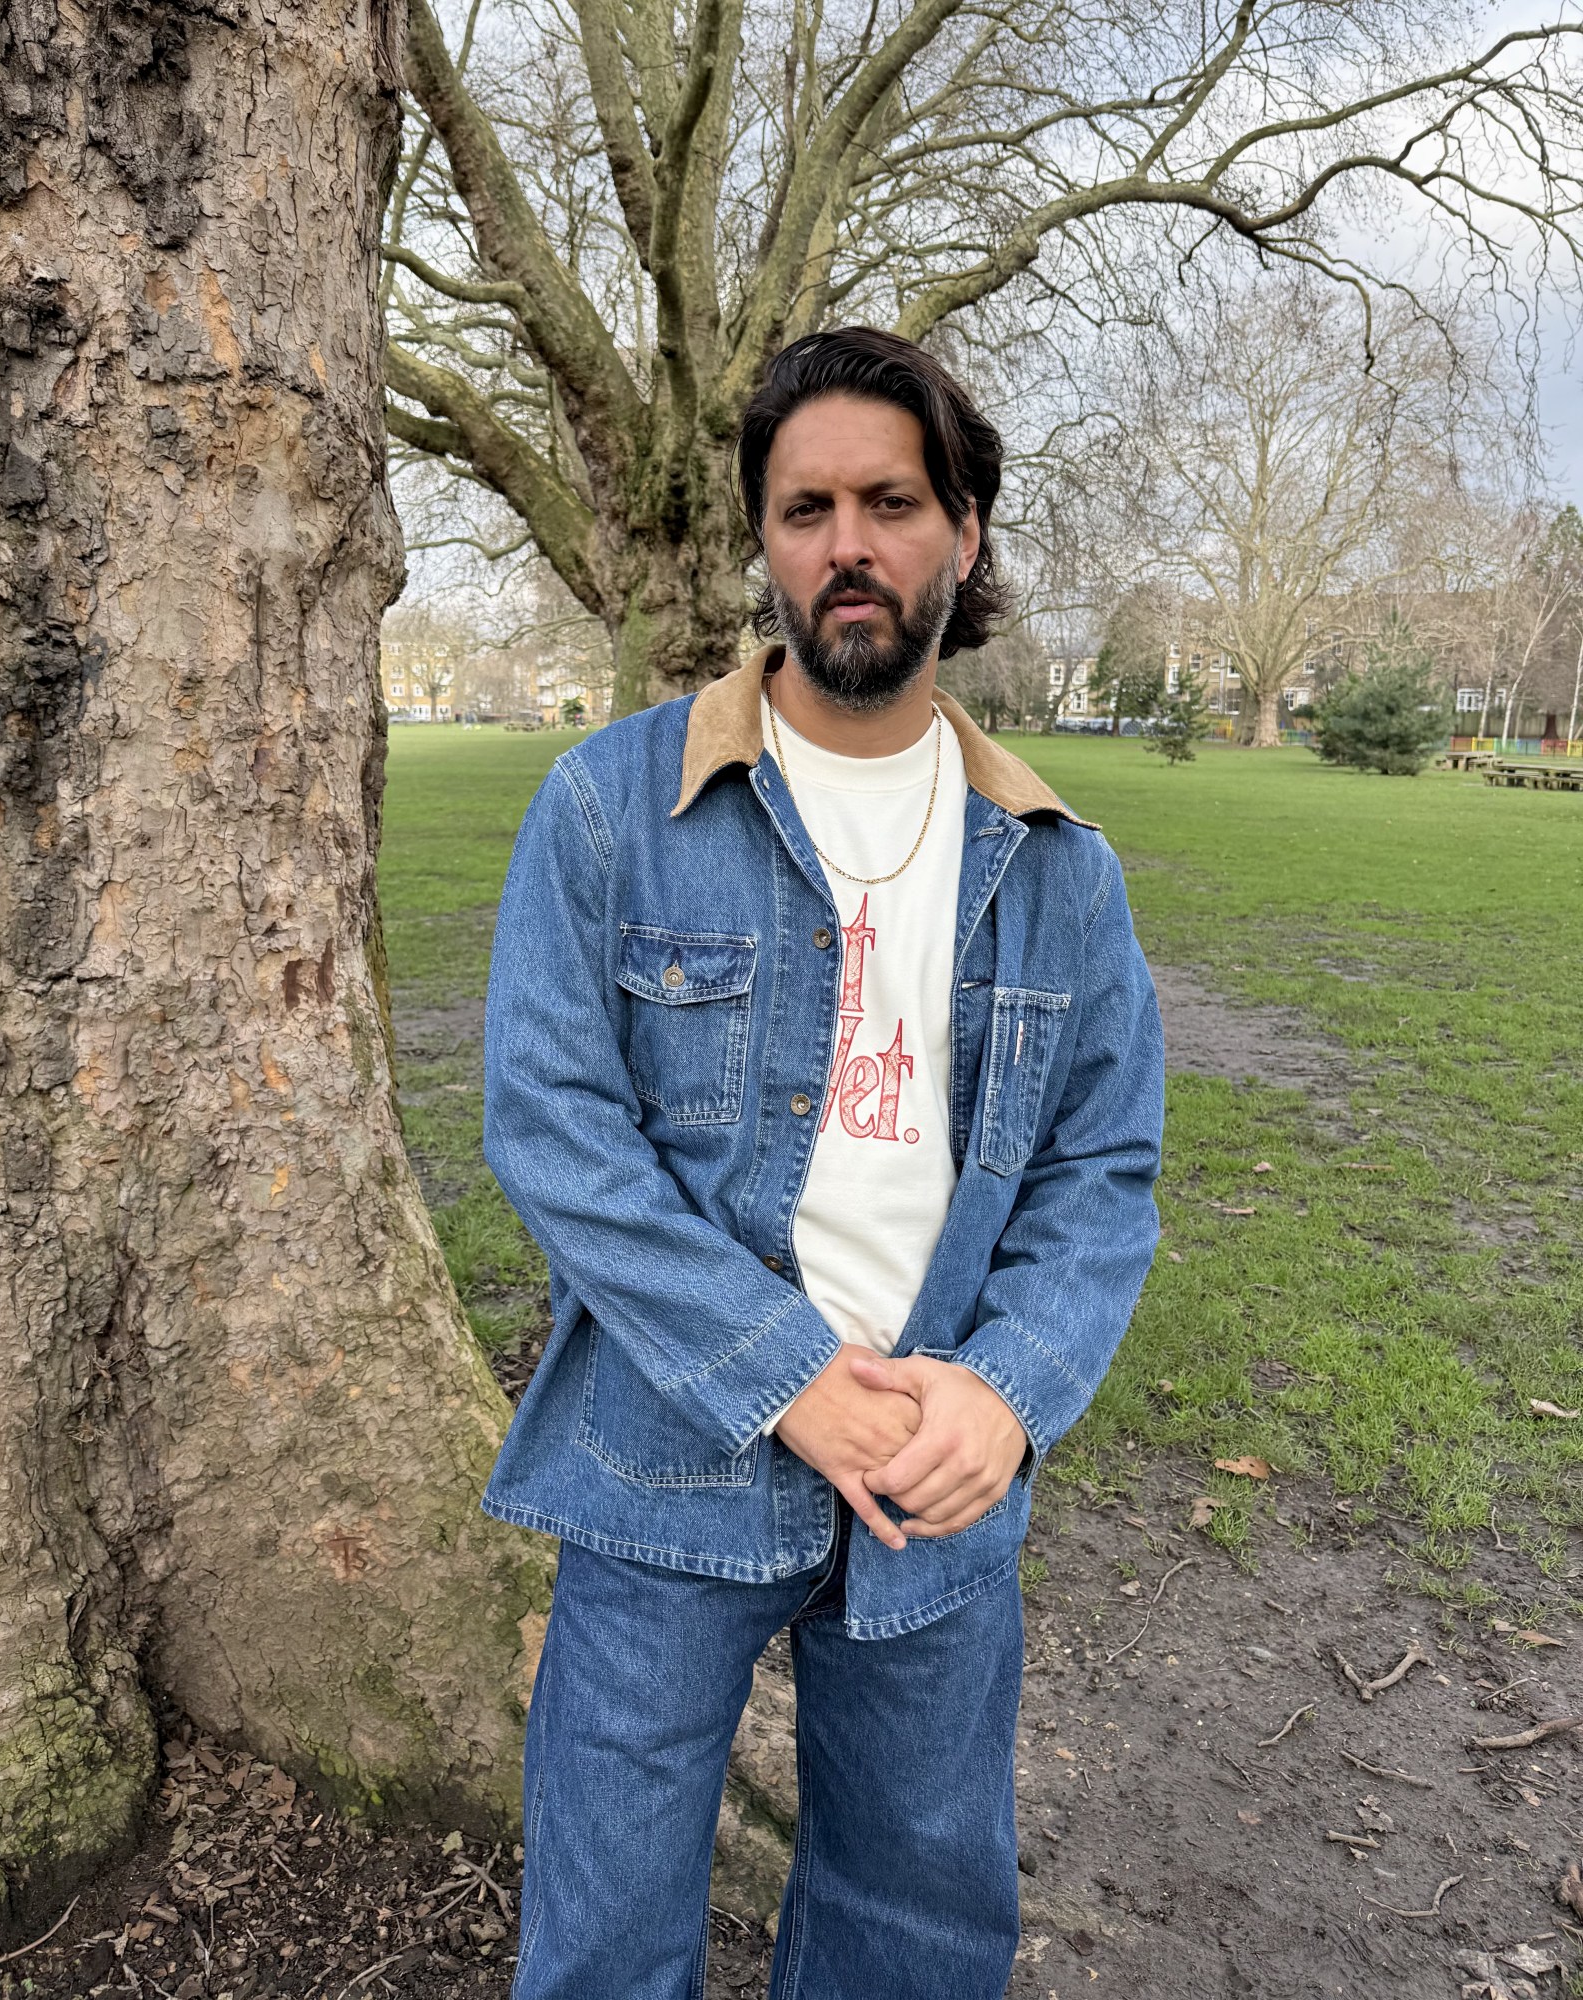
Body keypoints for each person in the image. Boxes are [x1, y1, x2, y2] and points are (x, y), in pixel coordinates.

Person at [480, 326, 1165, 2000]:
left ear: (964, 535)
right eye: (805, 510)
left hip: (940, 1487)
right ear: (766, 542)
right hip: (662, 1473)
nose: (845, 545)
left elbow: (1103, 1171)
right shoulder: (610, 808)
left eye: (888, 501)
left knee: (914, 1936)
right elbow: (555, 1133)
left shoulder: (1062, 870)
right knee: (605, 1947)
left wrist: (1003, 1395)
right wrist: (786, 1373)